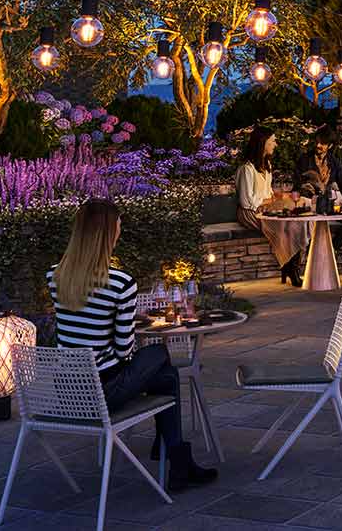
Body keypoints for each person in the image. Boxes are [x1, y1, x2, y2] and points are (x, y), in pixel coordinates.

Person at [49, 199, 217, 489]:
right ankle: (172, 452)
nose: (120, 229)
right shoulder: (120, 282)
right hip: (104, 392)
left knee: (166, 376)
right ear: (107, 234)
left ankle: (172, 451)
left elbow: (82, 325)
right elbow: (123, 351)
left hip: (68, 389)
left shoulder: (55, 276)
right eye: (118, 225)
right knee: (161, 354)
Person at [236, 126, 306, 287]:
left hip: (264, 207)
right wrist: (270, 200)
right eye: (273, 141)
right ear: (263, 143)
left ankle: (292, 267)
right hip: (249, 213)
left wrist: (277, 197)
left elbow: (267, 193)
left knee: (295, 223)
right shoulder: (247, 169)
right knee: (281, 226)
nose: (275, 144)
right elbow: (248, 202)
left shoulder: (267, 166)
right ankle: (289, 268)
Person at [295, 125, 342, 254]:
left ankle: (331, 250)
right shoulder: (304, 159)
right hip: (308, 205)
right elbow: (296, 184)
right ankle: (311, 254)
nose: (319, 145)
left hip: (327, 206)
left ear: (330, 146)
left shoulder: (335, 162)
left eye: (323, 143)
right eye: (317, 142)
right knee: (307, 227)